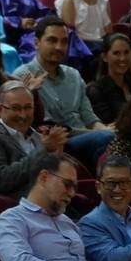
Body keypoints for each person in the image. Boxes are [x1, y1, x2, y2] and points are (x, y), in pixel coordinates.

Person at [12, 16, 114, 168]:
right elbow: (47, 128)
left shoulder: (74, 74)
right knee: (107, 139)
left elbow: (90, 119)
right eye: (52, 40)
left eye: (64, 41)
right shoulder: (23, 77)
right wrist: (100, 134)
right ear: (36, 43)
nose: (59, 47)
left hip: (86, 137)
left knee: (120, 139)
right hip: (57, 143)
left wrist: (106, 129)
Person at [0, 152, 97, 261]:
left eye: (75, 188)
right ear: (43, 177)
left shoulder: (66, 221)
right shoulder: (12, 218)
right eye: (67, 185)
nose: (72, 193)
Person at [0, 81, 67, 200]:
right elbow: (1, 180)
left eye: (28, 108)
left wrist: (56, 156)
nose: (23, 115)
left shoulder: (39, 137)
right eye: (16, 108)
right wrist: (43, 150)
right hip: (13, 208)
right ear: (0, 110)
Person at [87, 32, 131, 124]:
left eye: (126, 52)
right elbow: (109, 128)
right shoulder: (96, 90)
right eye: (116, 53)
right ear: (104, 57)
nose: (122, 58)